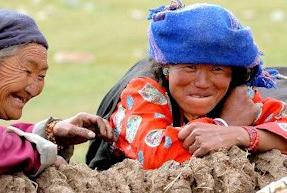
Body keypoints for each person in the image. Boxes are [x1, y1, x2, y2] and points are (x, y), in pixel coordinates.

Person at [86, 1, 287, 170]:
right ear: (166, 67)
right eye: (190, 67)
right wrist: (224, 124)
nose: (202, 83)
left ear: (232, 74)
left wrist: (239, 134)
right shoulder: (143, 90)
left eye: (217, 70)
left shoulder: (238, 94)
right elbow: (155, 155)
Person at [0, 10, 113, 188]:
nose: (34, 89)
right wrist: (39, 154)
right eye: (27, 71)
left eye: (41, 76)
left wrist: (49, 132)